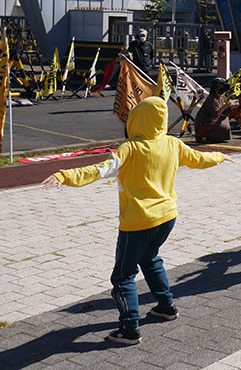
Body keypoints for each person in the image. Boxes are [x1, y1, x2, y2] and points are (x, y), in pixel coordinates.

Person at [41, 97, 230, 345]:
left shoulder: (130, 148)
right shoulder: (173, 144)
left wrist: (64, 175)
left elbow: (100, 170)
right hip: (167, 216)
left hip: (138, 222)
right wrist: (220, 156)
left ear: (137, 120)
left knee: (122, 276)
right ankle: (166, 306)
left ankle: (130, 329)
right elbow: (198, 159)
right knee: (150, 258)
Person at [195, 77, 238, 143]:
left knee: (225, 119)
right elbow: (215, 114)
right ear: (216, 88)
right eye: (221, 86)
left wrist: (230, 107)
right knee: (221, 124)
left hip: (211, 121)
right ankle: (205, 136)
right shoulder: (212, 99)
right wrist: (226, 106)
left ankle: (216, 137)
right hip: (204, 123)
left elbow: (223, 112)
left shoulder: (220, 98)